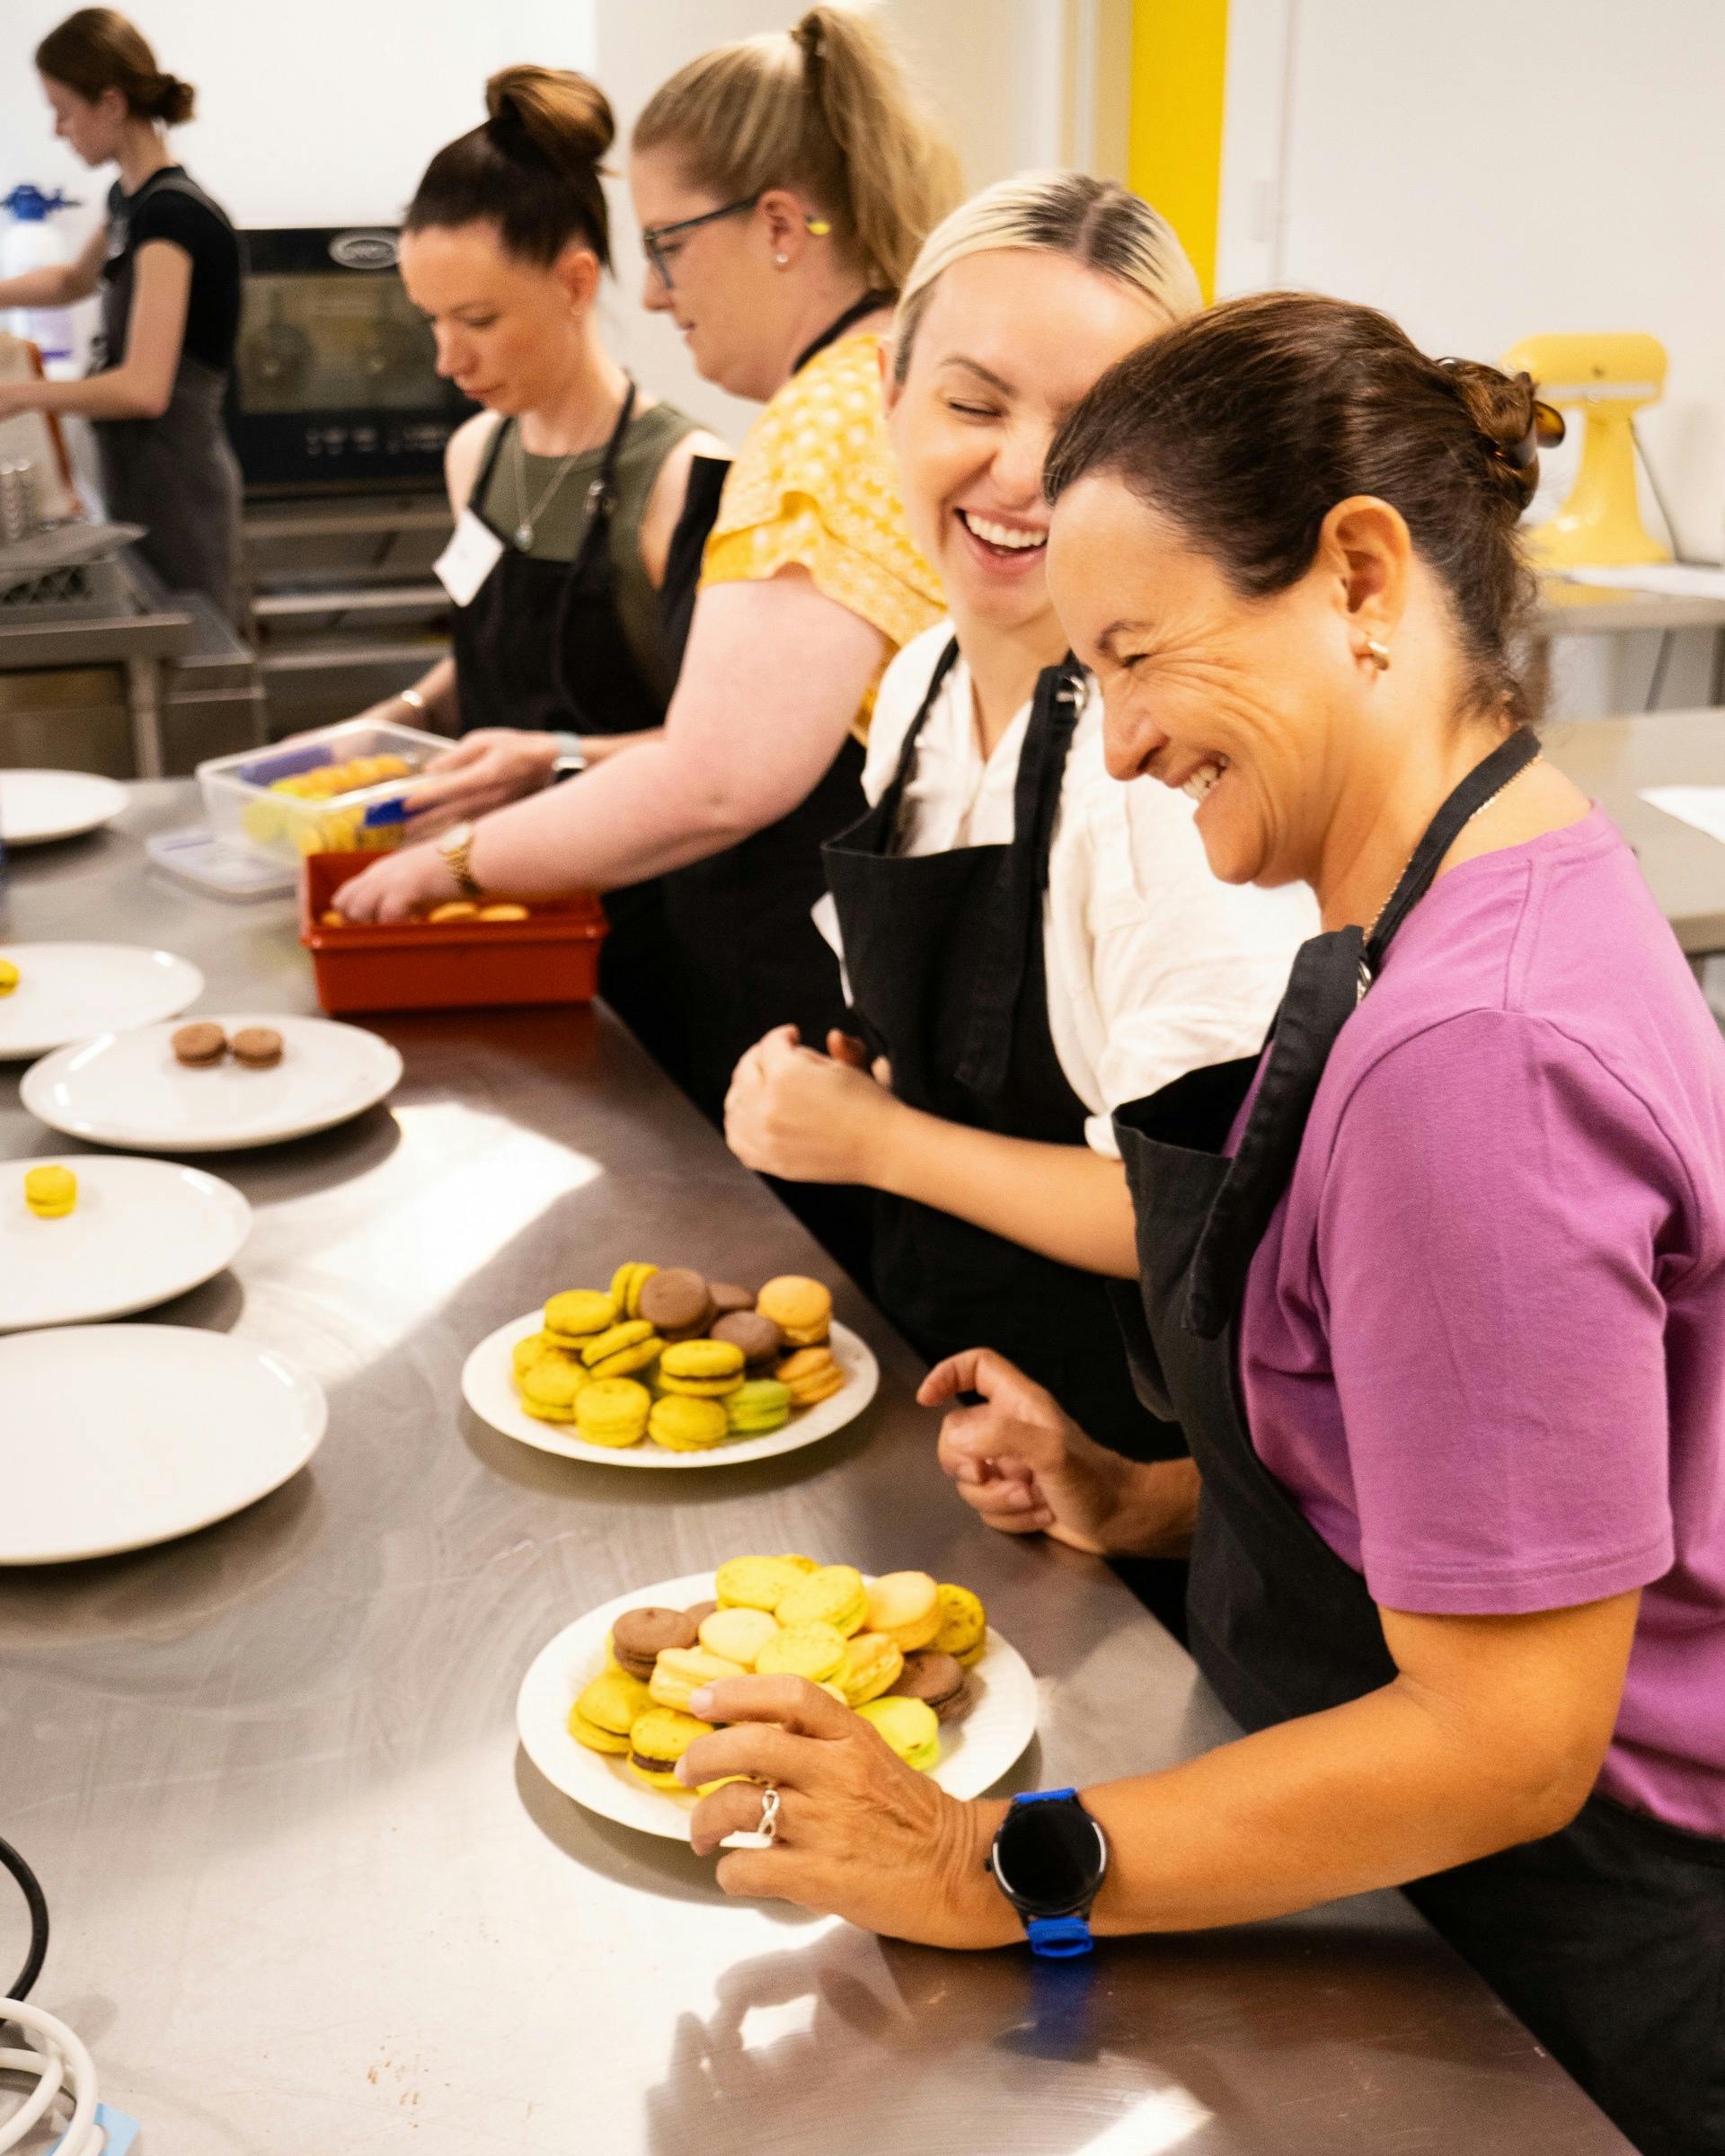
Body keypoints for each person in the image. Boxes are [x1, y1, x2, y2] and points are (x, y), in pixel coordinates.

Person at [670, 295, 1725, 2156]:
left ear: (1360, 575)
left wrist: (987, 1864)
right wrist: (1153, 1494)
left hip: (1566, 1947)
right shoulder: (1479, 894)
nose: (1130, 742)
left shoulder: (1475, 1052)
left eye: (1139, 656)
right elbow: (1522, 1473)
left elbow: (1506, 1737)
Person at [722, 176, 1312, 1584]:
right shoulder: (923, 678)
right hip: (971, 1424)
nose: (1025, 475)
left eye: (1093, 430)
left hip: (1139, 1477)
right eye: (975, 406)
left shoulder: (1170, 767)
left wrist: (874, 1145)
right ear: (888, 394)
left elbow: (1212, 1215)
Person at [332, 7, 959, 1243]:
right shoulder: (876, 380)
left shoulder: (817, 431)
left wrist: (452, 865)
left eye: (671, 244)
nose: (659, 292)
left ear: (780, 225)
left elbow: (717, 778)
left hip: (813, 980)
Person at [341, 66, 726, 1077]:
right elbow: (487, 662)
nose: (446, 360)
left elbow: (720, 762)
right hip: (474, 903)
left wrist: (553, 756)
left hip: (637, 941)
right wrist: (392, 723)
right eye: (430, 322)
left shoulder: (682, 480)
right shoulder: (477, 456)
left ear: (574, 281)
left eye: (476, 320)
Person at [0, 9, 243, 618]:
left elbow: (144, 388)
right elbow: (70, 281)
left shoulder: (172, 218)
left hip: (179, 484)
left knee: (197, 655)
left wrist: (19, 395)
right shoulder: (129, 202)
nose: (59, 129)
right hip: (142, 474)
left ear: (109, 103)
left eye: (63, 110)